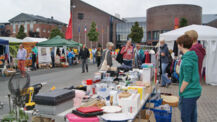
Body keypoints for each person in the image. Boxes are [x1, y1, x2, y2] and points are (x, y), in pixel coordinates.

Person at [177, 35, 202, 122]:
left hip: (189, 92)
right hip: (194, 90)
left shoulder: (187, 59)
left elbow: (187, 79)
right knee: (192, 116)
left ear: (182, 45)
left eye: (178, 44)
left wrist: (181, 90)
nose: (178, 46)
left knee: (185, 117)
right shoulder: (191, 56)